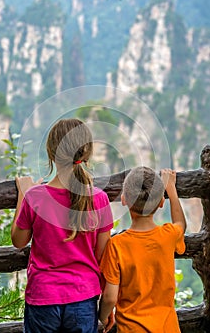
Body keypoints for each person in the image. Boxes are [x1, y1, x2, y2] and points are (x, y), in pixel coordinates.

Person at [11, 118, 114, 333]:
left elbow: (18, 241)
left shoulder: (35, 197)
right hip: (84, 297)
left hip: (43, 297)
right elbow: (102, 256)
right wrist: (106, 305)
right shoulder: (99, 199)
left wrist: (23, 194)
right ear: (85, 155)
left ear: (51, 153)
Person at [99, 167, 186, 333]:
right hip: (168, 327)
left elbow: (110, 297)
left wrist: (103, 317)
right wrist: (171, 190)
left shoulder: (116, 245)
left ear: (124, 200)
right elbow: (181, 224)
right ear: (161, 202)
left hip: (131, 328)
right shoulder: (168, 235)